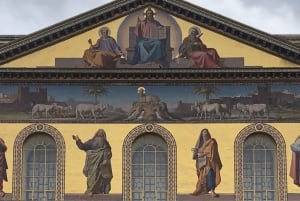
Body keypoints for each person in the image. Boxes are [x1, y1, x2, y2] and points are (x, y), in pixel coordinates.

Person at [72, 129, 113, 196]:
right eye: (99, 133)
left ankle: (96, 191)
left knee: (101, 177)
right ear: (96, 134)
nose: (100, 135)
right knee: (92, 177)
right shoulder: (92, 142)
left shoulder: (104, 143)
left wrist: (105, 159)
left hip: (101, 164)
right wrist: (78, 140)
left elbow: (107, 151)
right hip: (93, 164)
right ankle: (91, 190)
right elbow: (83, 146)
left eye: (101, 134)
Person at [191, 128, 222, 197]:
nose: (205, 135)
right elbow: (198, 154)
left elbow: (212, 153)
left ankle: (213, 191)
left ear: (208, 134)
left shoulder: (212, 142)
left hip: (210, 163)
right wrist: (196, 151)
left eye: (206, 133)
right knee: (203, 178)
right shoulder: (201, 144)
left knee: (210, 175)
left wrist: (203, 154)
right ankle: (204, 190)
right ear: (201, 136)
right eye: (203, 134)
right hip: (202, 164)